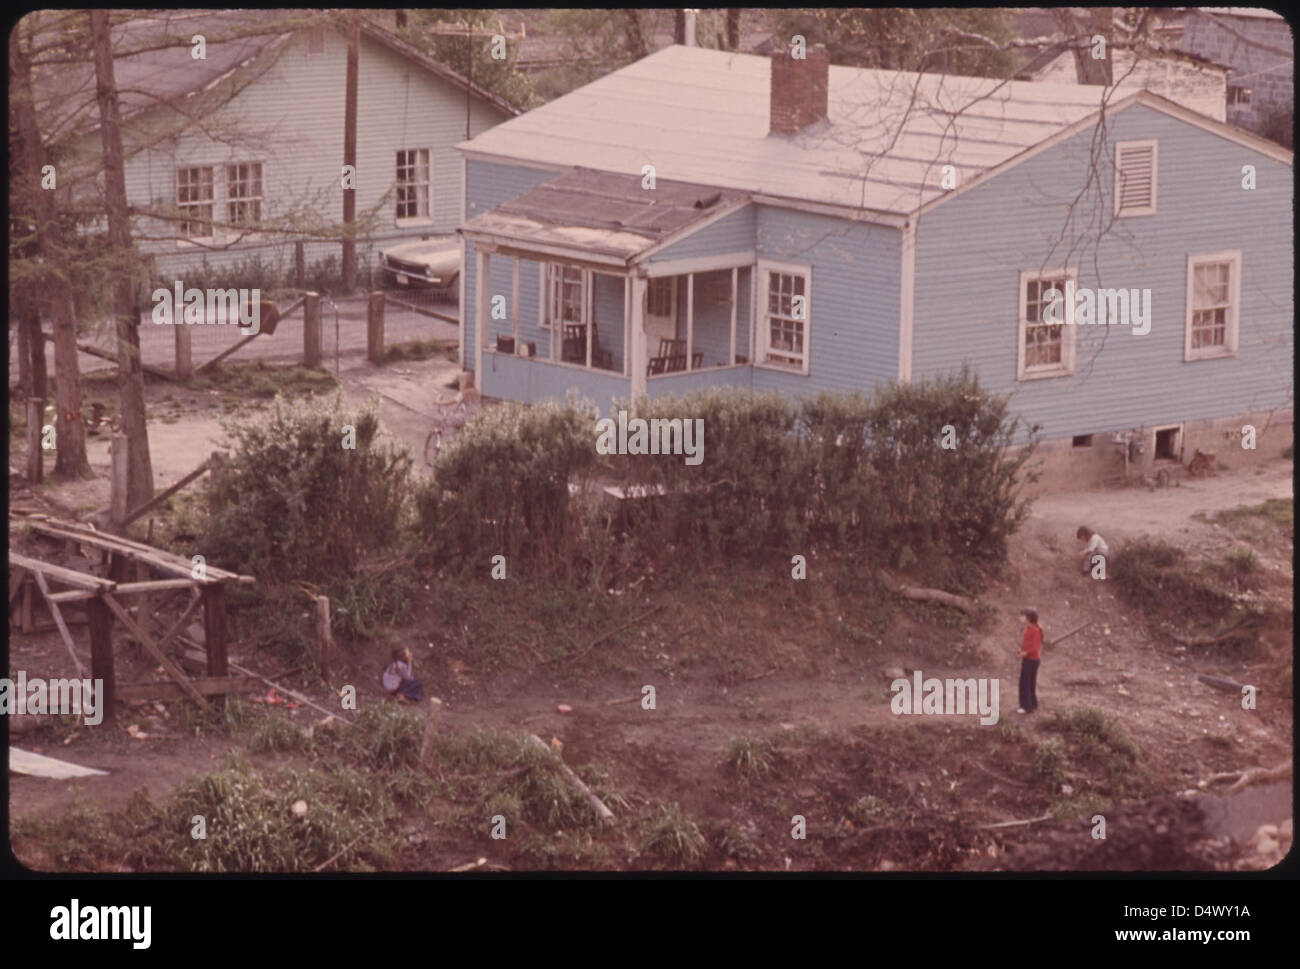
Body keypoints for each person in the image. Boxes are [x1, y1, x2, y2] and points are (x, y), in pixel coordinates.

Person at [1017, 608, 1042, 714]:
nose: (1020, 618)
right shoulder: (1029, 629)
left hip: (1031, 660)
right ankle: (1033, 703)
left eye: (1022, 616)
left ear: (1028, 618)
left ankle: (1026, 706)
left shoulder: (1035, 630)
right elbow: (1027, 643)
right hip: (1029, 659)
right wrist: (1021, 649)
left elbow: (1035, 647)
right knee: (1029, 682)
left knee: (1025, 683)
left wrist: (1025, 653)